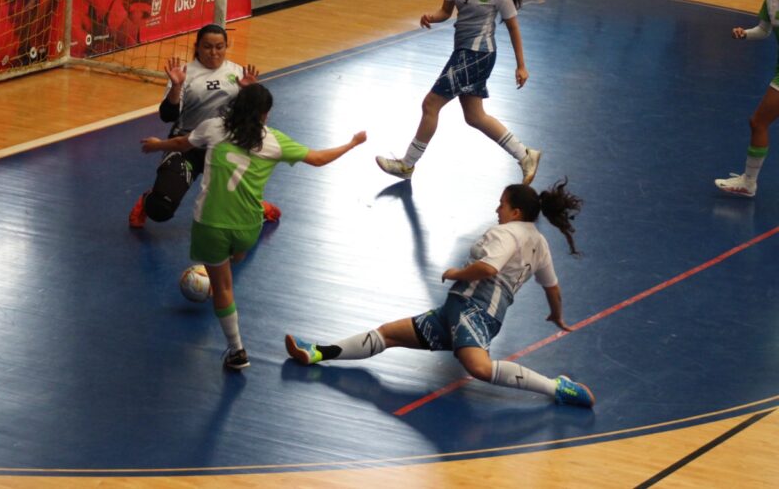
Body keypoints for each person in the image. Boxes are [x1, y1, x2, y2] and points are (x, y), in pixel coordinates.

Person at [285, 179, 595, 407]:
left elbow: (488, 268)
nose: (496, 209)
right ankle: (317, 352)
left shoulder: (505, 232)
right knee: (388, 334)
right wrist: (556, 313)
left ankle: (557, 388)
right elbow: (552, 287)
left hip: (474, 312)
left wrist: (456, 273)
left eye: (501, 203)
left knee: (480, 367)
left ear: (515, 212)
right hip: (455, 313)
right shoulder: (540, 244)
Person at [141, 84, 367, 370]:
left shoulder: (213, 127)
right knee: (237, 256)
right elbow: (319, 159)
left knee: (223, 288)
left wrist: (156, 145)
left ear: (235, 106)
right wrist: (352, 143)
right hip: (249, 226)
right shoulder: (274, 141)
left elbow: (182, 144)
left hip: (210, 224)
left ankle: (237, 351)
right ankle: (227, 261)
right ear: (265, 114)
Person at [375, 0, 541, 185]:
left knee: (430, 104)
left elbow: (513, 27)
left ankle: (407, 164)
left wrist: (521, 65)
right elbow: (446, 11)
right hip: (462, 51)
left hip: (478, 54)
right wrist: (432, 16)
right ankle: (525, 154)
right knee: (474, 116)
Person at [129, 23, 275, 228]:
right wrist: (177, 87)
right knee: (160, 209)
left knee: (236, 209)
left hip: (224, 147)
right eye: (207, 47)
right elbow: (167, 116)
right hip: (188, 145)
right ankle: (147, 201)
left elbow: (255, 117)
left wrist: (249, 93)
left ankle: (253, 204)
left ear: (226, 46)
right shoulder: (184, 74)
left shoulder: (238, 73)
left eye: (219, 47)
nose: (214, 53)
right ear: (197, 46)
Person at [714, 0, 779, 198]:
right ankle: (748, 182)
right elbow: (764, 30)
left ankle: (749, 182)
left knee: (758, 122)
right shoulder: (772, 0)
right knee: (758, 123)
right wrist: (745, 34)